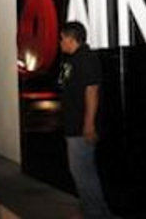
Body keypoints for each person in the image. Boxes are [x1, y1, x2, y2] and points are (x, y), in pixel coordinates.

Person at [58, 21, 117, 219]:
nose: (60, 42)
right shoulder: (71, 60)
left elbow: (92, 90)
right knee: (82, 172)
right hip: (72, 126)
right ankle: (95, 211)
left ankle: (95, 213)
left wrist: (89, 125)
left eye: (62, 38)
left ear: (70, 38)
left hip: (80, 127)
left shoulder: (86, 58)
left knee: (83, 173)